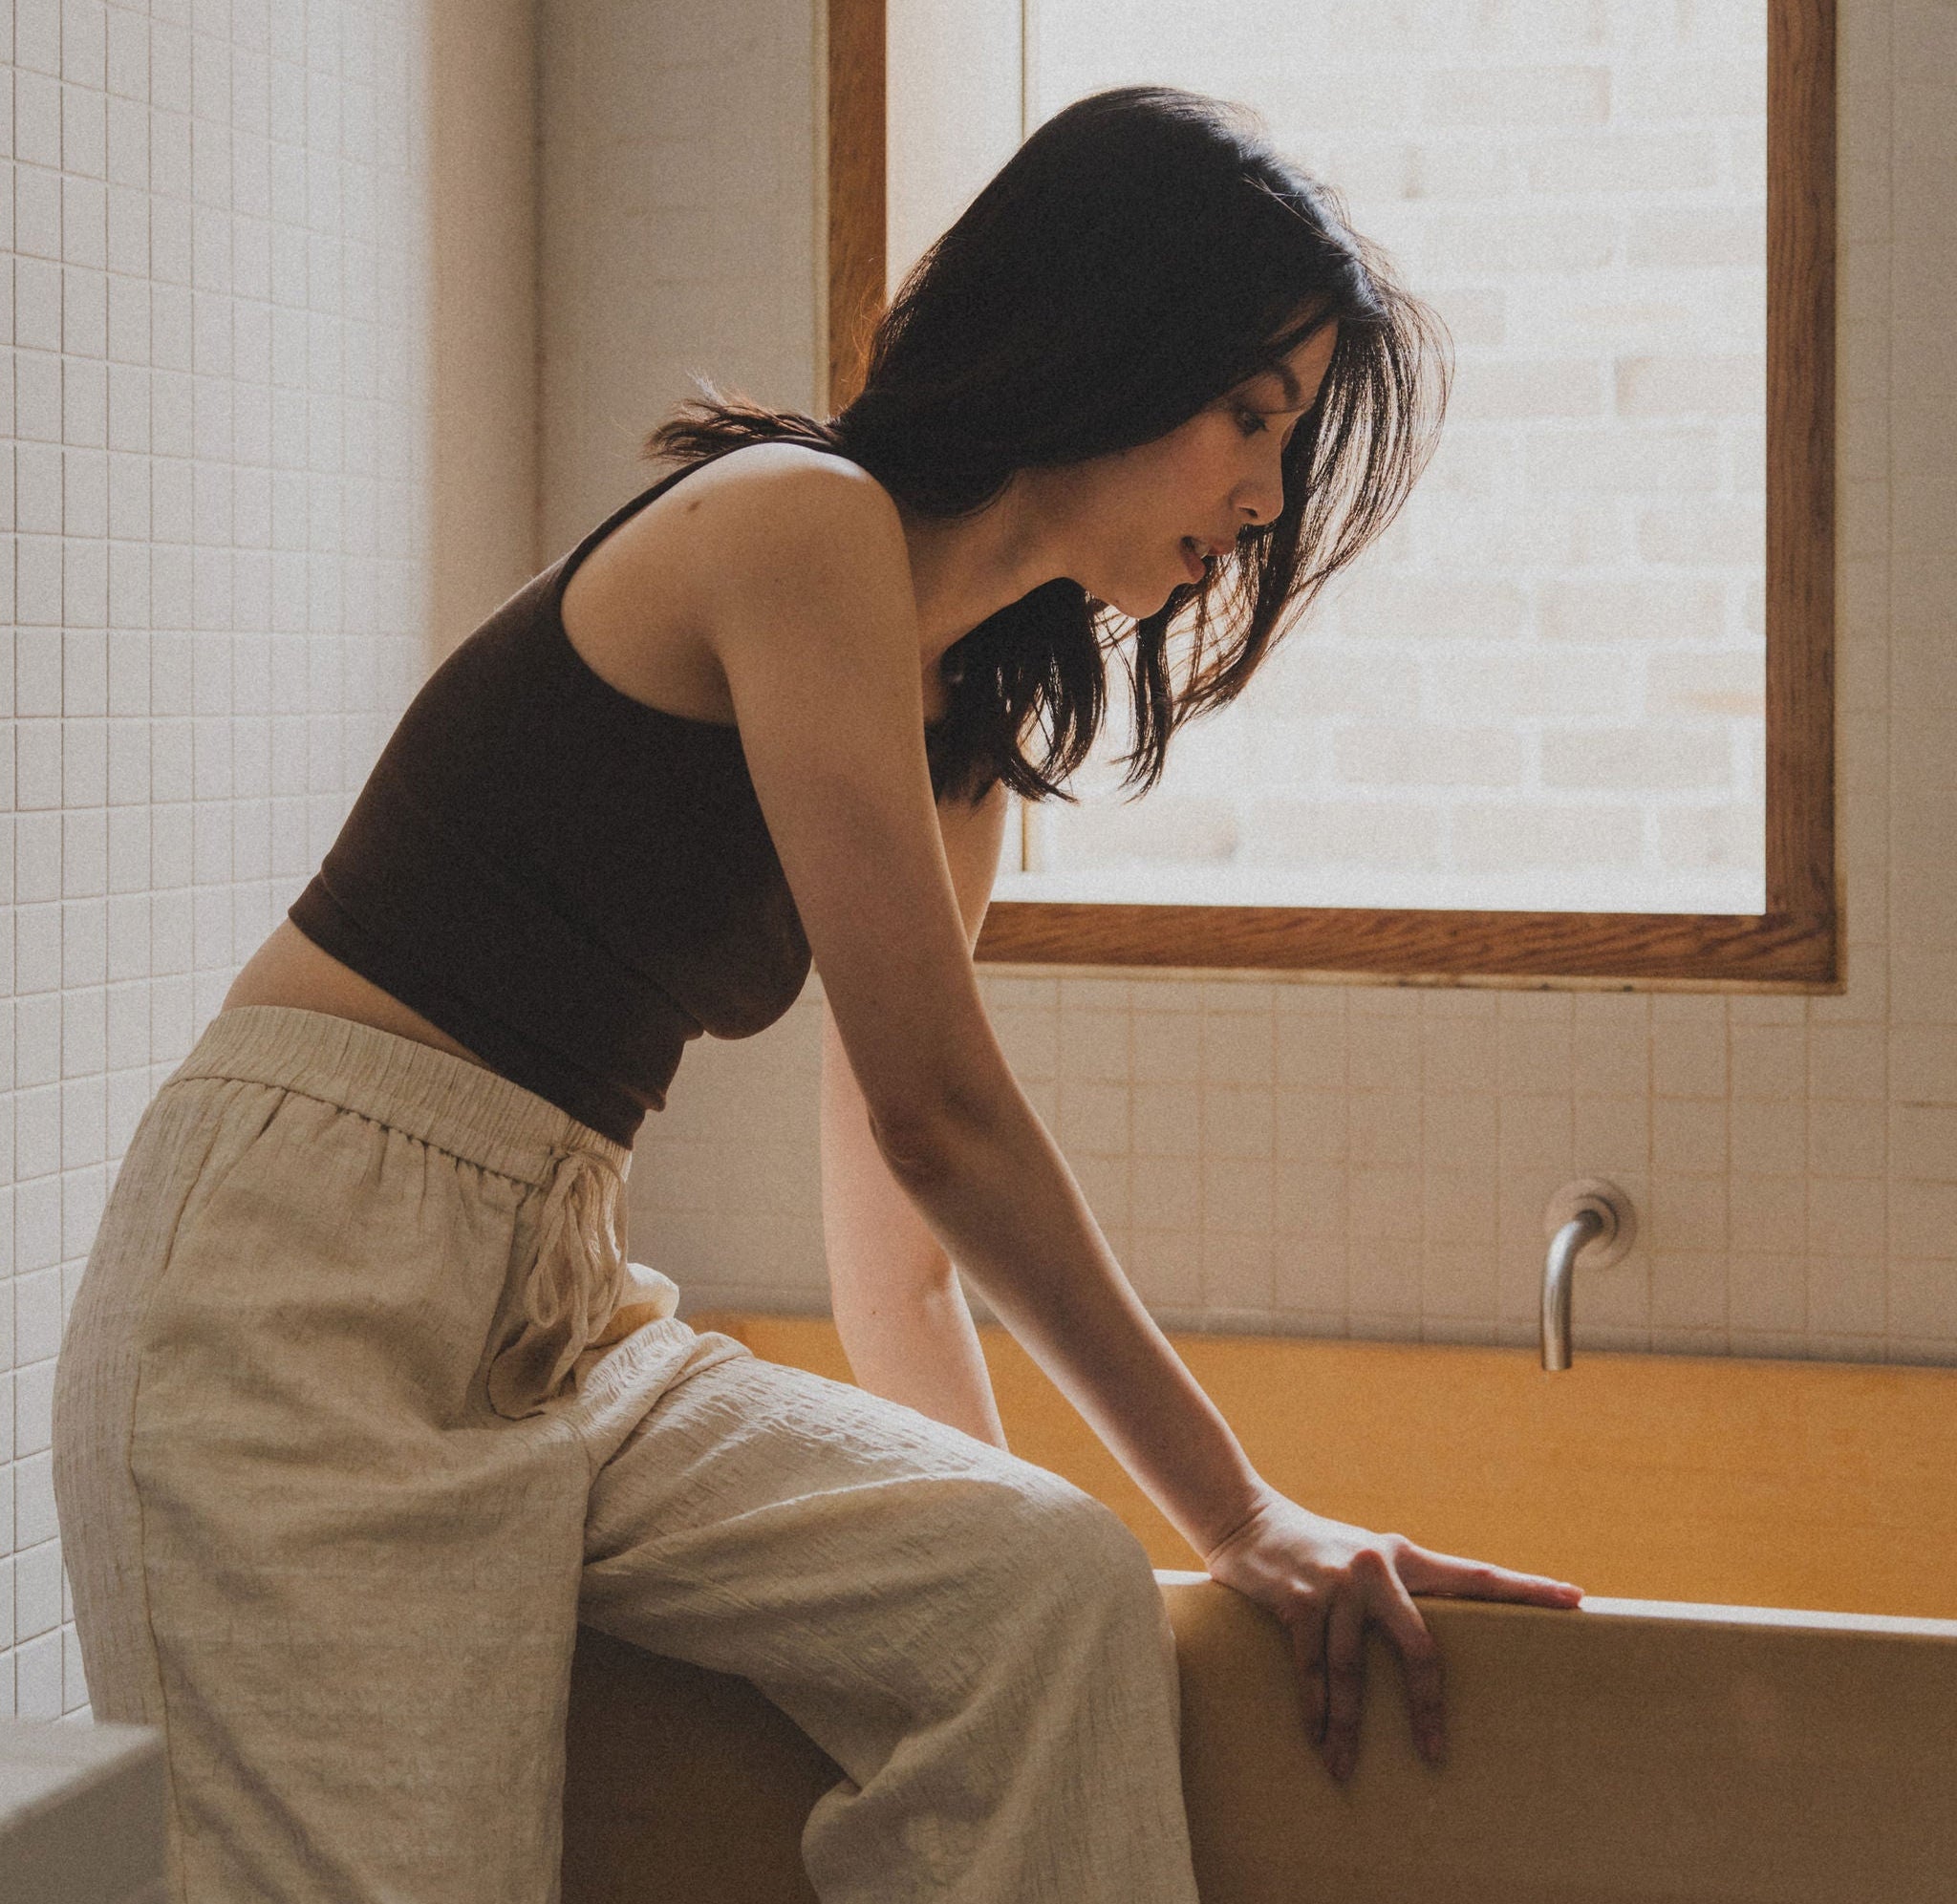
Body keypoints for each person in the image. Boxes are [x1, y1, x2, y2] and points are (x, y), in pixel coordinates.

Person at [52, 83, 1582, 1903]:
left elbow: (898, 1265)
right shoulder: (795, 524)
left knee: (1041, 1596)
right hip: (289, 1294)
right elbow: (947, 1126)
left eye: (1288, 438)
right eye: (1247, 415)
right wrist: (1243, 1514)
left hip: (559, 1314)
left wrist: (1016, 1536)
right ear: (1112, 334)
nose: (1261, 497)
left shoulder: (961, 762)